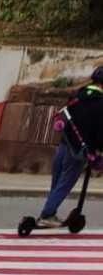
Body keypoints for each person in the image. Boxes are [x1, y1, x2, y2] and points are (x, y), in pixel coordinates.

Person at [37, 66, 103, 227]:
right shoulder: (101, 103)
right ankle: (46, 216)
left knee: (58, 181)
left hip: (65, 143)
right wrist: (99, 151)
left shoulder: (77, 95)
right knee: (66, 182)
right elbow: (100, 131)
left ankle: (50, 212)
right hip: (80, 150)